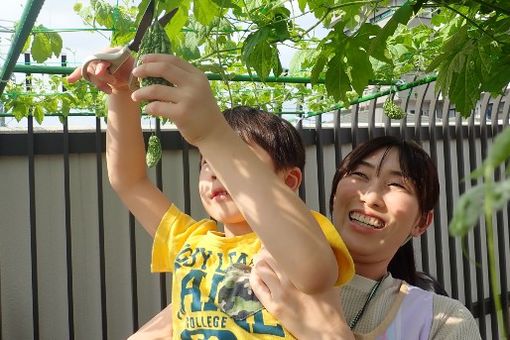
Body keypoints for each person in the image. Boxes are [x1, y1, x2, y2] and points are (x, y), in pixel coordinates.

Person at [68, 51, 354, 339]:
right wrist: (120, 90)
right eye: (207, 162)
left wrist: (213, 134)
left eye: (233, 160)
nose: (215, 171)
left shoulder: (301, 231)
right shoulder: (188, 240)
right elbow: (128, 180)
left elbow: (314, 272)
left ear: (289, 180)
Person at [250, 135, 482, 339]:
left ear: (421, 222)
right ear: (334, 196)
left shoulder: (443, 321)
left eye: (396, 184)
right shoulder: (266, 271)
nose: (370, 197)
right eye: (360, 174)